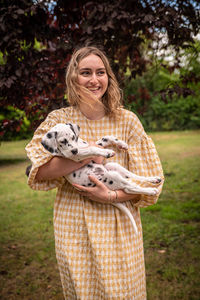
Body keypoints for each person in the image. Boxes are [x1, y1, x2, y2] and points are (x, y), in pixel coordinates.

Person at [25, 46, 164, 300]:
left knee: (122, 292)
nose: (94, 80)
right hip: (74, 226)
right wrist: (90, 154)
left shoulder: (126, 121)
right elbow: (39, 170)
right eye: (85, 72)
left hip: (117, 228)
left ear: (108, 78)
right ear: (73, 78)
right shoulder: (59, 120)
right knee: (83, 293)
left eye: (101, 72)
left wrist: (110, 196)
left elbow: (153, 181)